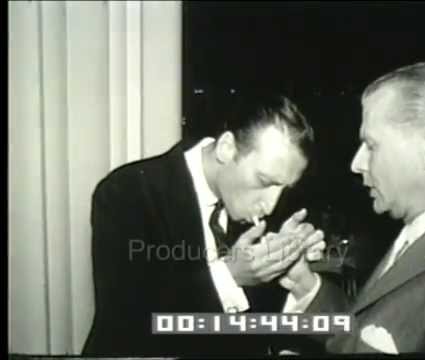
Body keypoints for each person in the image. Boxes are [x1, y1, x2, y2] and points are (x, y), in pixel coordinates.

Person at [82, 94, 325, 357]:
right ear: (227, 148)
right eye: (265, 181)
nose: (271, 205)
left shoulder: (257, 209)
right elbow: (126, 325)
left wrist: (287, 273)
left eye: (283, 188)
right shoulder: (127, 192)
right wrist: (229, 275)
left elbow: (254, 328)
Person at [280, 62, 425, 354]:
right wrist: (306, 285)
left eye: (371, 145)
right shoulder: (418, 234)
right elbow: (367, 328)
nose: (357, 163)